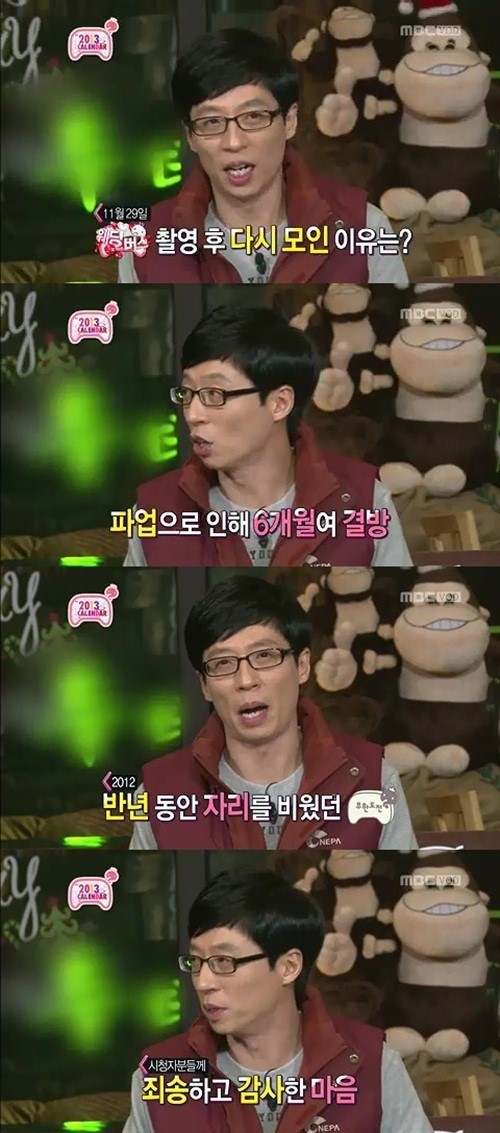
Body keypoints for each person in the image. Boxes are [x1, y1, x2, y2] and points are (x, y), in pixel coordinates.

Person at [122, 870, 433, 1132]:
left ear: (288, 967)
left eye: (224, 962)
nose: (203, 983)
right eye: (196, 962)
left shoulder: (373, 1063)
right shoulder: (160, 1075)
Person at [129, 576, 417, 851]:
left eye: (264, 656)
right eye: (223, 663)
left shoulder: (374, 780)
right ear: (204, 685)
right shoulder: (159, 794)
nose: (246, 680)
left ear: (302, 666)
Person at [123, 306, 413, 568]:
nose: (192, 413)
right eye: (187, 393)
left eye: (214, 393)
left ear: (279, 403)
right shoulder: (154, 512)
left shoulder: (365, 498)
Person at [118, 29, 409, 286]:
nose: (233, 142)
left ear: (290, 121)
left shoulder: (363, 225)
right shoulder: (145, 242)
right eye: (211, 122)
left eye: (254, 117)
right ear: (190, 136)